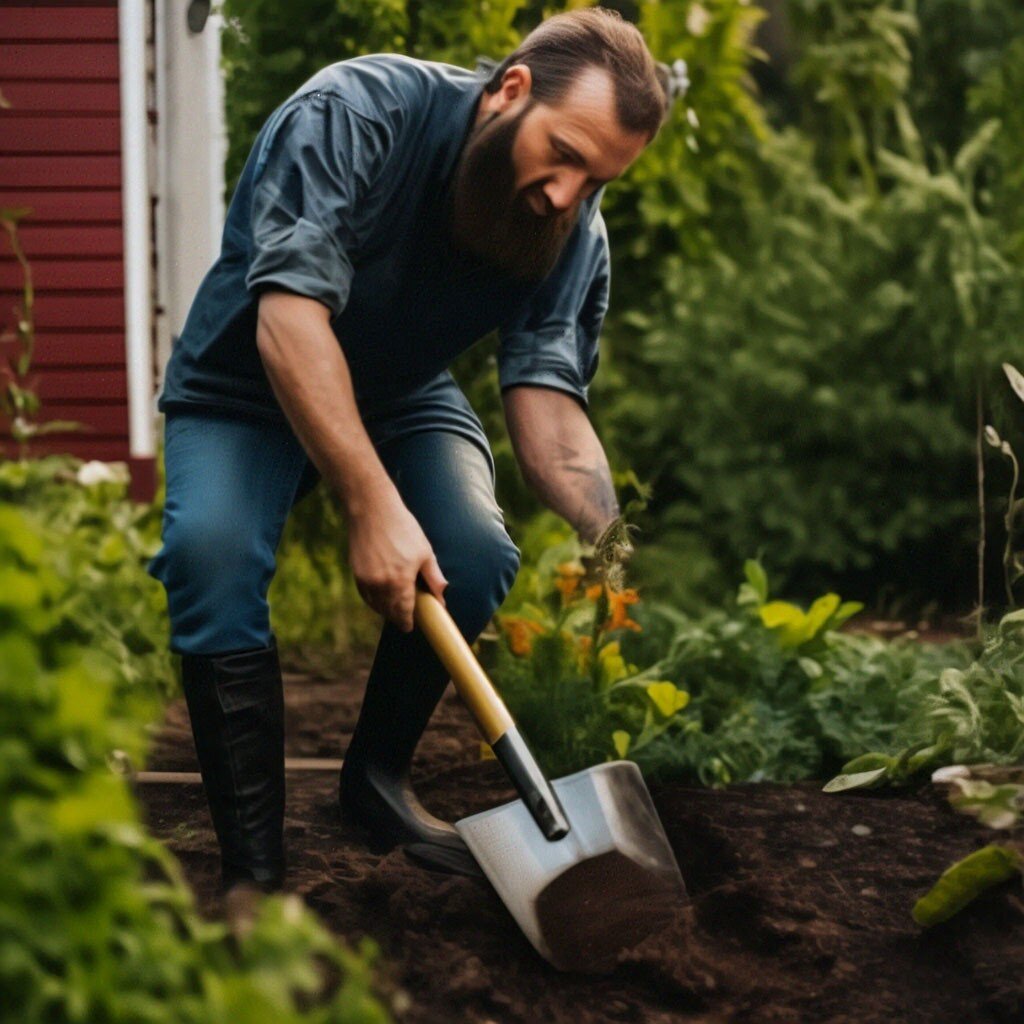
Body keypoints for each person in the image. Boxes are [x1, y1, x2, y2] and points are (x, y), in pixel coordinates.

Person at [147, 7, 669, 923]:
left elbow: (548, 406)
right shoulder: (357, 112)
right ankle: (252, 872)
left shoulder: (568, 228)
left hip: (398, 392)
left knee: (470, 549)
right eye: (564, 153)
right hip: (246, 378)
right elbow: (288, 316)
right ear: (511, 89)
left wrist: (612, 544)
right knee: (212, 555)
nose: (565, 194)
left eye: (596, 180)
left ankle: (375, 781)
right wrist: (370, 503)